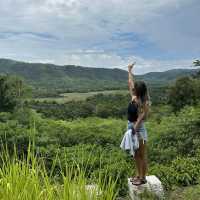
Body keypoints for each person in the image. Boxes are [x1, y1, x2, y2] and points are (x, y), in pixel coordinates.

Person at [127, 62, 150, 185]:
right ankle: (137, 175)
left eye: (135, 89)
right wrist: (129, 70)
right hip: (131, 126)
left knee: (141, 154)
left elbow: (143, 115)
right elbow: (130, 82)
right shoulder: (134, 96)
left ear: (139, 91)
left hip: (139, 129)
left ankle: (143, 178)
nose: (133, 88)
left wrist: (136, 126)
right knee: (135, 154)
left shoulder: (144, 102)